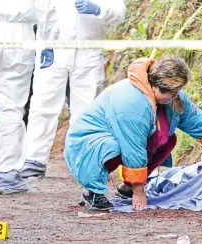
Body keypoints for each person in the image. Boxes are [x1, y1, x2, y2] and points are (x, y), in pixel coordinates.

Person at [64, 56, 202, 211]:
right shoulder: (132, 104)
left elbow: (196, 120)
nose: (172, 97)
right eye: (167, 92)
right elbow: (133, 148)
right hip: (86, 145)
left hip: (117, 140)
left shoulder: (171, 97)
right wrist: (140, 192)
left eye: (176, 92)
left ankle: (126, 188)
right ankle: (93, 191)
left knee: (166, 138)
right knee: (113, 147)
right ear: (154, 84)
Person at [22, 0, 126, 178]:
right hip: (53, 47)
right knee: (43, 104)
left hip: (88, 50)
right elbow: (38, 9)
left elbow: (119, 13)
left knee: (87, 109)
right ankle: (34, 159)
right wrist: (47, 40)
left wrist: (100, 9)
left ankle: (84, 159)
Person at [0, 0, 58, 194]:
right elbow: (47, 7)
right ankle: (7, 174)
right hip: (21, 37)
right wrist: (49, 42)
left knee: (11, 107)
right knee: (11, 107)